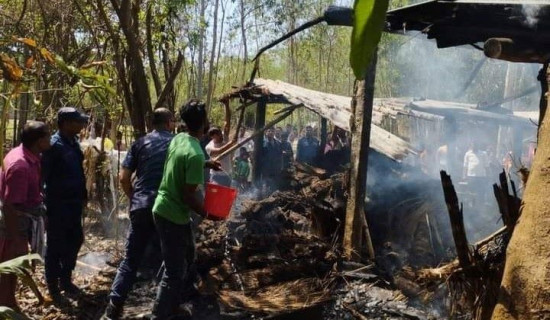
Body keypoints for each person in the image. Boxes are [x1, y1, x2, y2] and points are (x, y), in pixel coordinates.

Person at [101, 108, 175, 320]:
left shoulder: (139, 143)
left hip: (141, 205)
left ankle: (113, 308)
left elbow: (124, 178)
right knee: (172, 259)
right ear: (169, 122)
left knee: (131, 259)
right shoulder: (177, 143)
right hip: (167, 207)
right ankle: (163, 309)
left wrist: (134, 198)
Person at [151, 99, 221, 320]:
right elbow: (188, 195)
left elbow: (184, 160)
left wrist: (207, 164)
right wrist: (208, 214)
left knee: (188, 254)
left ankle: (179, 298)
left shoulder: (180, 138)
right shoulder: (195, 153)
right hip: (172, 213)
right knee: (173, 272)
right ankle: (160, 314)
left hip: (166, 207)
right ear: (204, 123)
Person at [0, 121, 50, 310]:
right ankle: (6, 305)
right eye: (47, 135)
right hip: (14, 223)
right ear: (39, 141)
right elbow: (10, 205)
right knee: (10, 266)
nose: (50, 138)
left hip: (22, 220)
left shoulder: (30, 157)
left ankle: (8, 302)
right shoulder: (20, 165)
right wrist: (14, 238)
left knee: (14, 267)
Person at [42, 107, 89, 299]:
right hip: (57, 205)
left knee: (75, 239)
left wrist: (83, 194)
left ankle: (65, 279)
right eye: (78, 121)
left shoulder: (73, 143)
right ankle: (53, 287)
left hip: (73, 203)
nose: (82, 124)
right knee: (55, 245)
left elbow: (78, 171)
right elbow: (43, 176)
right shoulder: (53, 146)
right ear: (67, 124)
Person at [261, 128, 283, 193]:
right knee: (265, 186)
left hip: (275, 168)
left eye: (272, 131)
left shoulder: (278, 143)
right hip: (266, 169)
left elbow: (280, 155)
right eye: (269, 131)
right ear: (266, 132)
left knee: (274, 186)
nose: (270, 132)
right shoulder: (262, 143)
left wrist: (281, 165)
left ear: (274, 133)